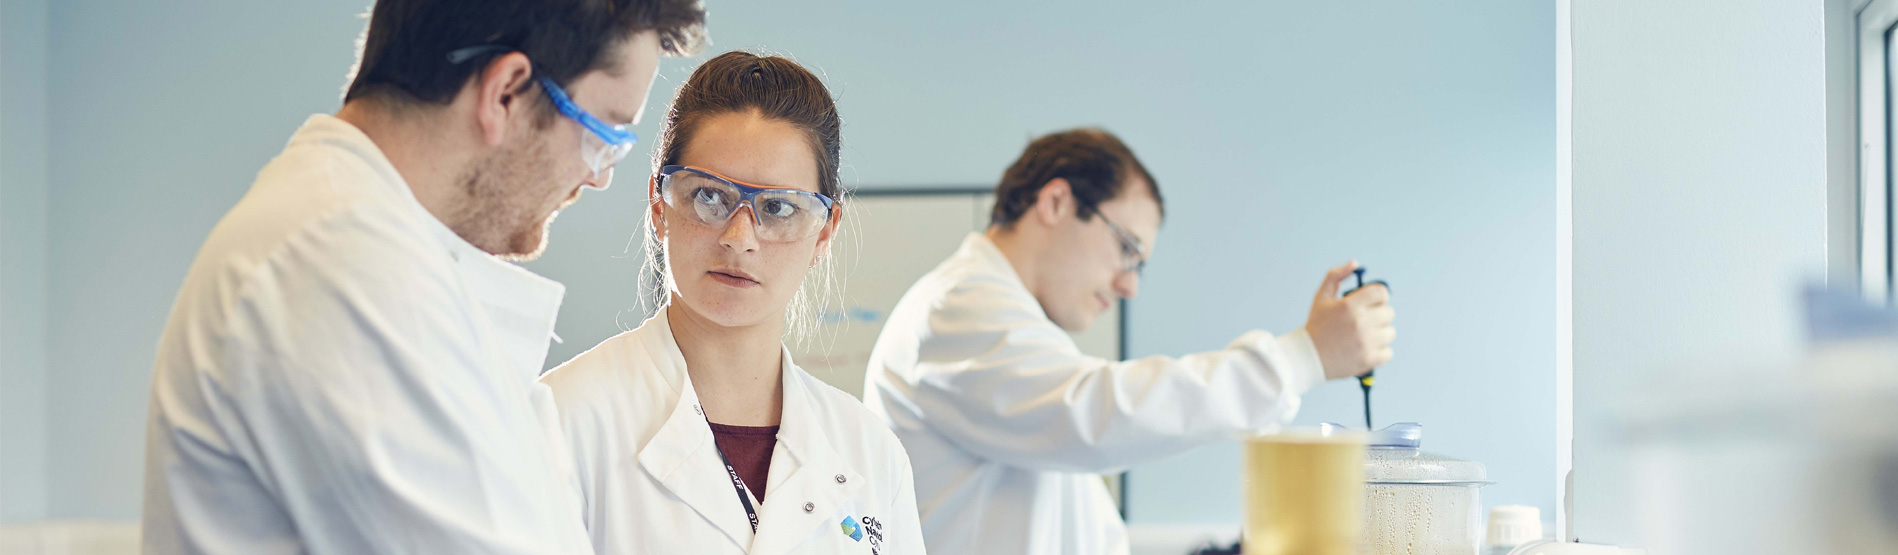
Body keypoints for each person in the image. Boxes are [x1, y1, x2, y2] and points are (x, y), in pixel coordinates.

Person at [140, 1, 705, 553]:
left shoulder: (371, 245)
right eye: (602, 135)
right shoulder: (341, 262)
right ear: (505, 92)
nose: (597, 177)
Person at [861, 128, 1397, 555]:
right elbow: (1096, 414)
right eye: (1126, 249)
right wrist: (1301, 357)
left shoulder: (1013, 333)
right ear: (1055, 202)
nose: (1129, 284)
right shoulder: (955, 311)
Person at [538, 51, 926, 555]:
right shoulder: (562, 420)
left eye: (779, 207)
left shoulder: (869, 451)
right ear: (659, 205)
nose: (740, 237)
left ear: (823, 234)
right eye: (709, 197)